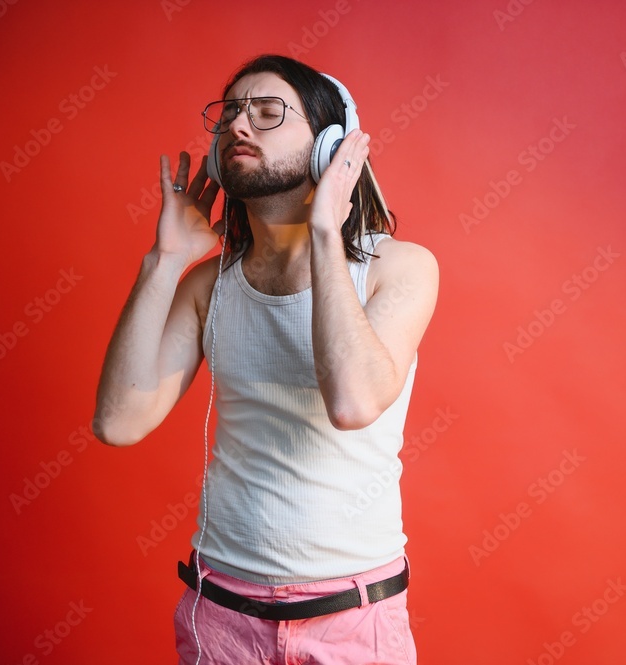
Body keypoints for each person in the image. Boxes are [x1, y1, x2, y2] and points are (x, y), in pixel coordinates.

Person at [92, 54, 438, 664]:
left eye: (268, 112)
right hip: (220, 618)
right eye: (229, 114)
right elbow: (119, 422)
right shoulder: (211, 288)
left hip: (352, 623)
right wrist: (166, 260)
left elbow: (354, 402)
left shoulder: (400, 268)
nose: (239, 127)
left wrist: (328, 229)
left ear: (332, 146)